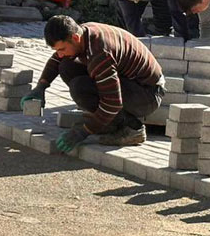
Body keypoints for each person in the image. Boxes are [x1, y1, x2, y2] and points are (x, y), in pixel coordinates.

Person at [20, 16, 164, 151]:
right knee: (66, 65)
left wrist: (84, 132)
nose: (60, 53)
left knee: (80, 87)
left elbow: (112, 103)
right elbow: (57, 60)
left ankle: (133, 129)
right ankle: (108, 123)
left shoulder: (100, 54)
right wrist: (41, 87)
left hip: (147, 94)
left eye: (61, 49)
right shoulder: (82, 33)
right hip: (131, 82)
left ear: (75, 38)